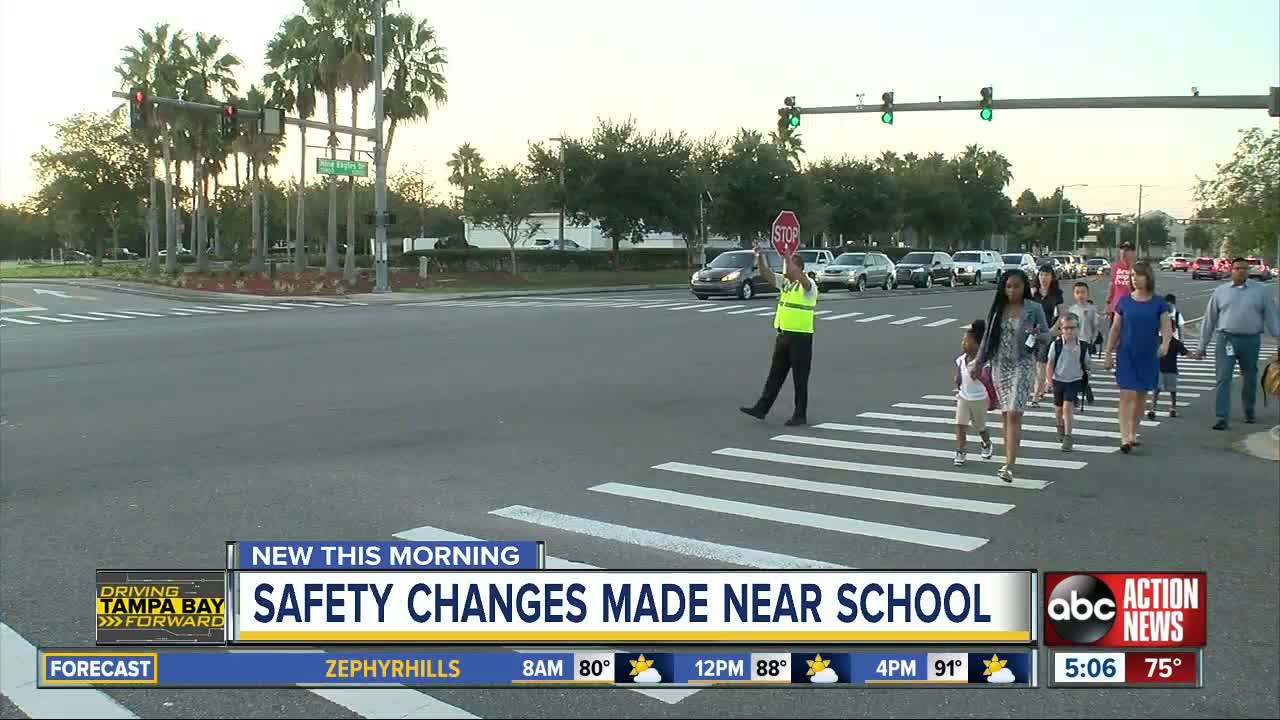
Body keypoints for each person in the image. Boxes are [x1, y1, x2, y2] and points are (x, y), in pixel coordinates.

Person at [973, 269, 1051, 482]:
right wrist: (978, 364)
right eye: (1008, 286)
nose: (1012, 290)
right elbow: (988, 339)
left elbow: (1047, 335)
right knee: (1006, 414)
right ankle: (1007, 457)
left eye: (1016, 286)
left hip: (1023, 364)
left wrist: (1037, 335)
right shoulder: (998, 309)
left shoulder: (1033, 309)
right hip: (1000, 366)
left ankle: (1009, 464)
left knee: (1015, 412)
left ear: (1024, 286)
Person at [1193, 257, 1280, 429]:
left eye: (1245, 269)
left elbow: (1271, 317)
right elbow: (1209, 319)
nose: (1242, 271)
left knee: (1250, 378)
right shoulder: (1220, 291)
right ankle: (1221, 417)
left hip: (1251, 340)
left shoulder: (1261, 292)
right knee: (1223, 379)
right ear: (1231, 270)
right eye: (1238, 268)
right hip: (1226, 339)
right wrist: (1202, 346)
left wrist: (1278, 339)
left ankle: (1249, 412)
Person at [740, 248, 817, 426]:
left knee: (800, 379)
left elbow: (800, 276)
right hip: (783, 336)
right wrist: (759, 259)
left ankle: (800, 414)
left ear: (798, 268)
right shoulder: (786, 284)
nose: (785, 269)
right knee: (775, 376)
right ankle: (761, 408)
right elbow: (767, 275)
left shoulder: (808, 286)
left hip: (801, 338)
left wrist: (789, 257)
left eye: (788, 265)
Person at [1104, 261, 1172, 453]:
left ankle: (1133, 432)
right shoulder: (1124, 301)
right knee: (1128, 393)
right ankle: (1124, 437)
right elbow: (1116, 328)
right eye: (1133, 276)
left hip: (1148, 354)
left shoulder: (1159, 303)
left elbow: (1166, 327)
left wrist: (1165, 344)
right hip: (1126, 353)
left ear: (1148, 277)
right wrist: (1108, 352)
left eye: (1139, 275)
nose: (1135, 279)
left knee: (1141, 396)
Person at [954, 319, 994, 466]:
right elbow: (958, 375)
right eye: (963, 341)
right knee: (960, 424)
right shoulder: (961, 360)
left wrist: (980, 376)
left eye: (967, 341)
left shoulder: (983, 362)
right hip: (963, 397)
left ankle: (986, 442)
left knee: (980, 427)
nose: (963, 343)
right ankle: (960, 450)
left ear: (977, 345)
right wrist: (957, 379)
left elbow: (989, 380)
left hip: (979, 399)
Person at [1046, 314, 1089, 452]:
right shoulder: (1056, 344)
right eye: (1066, 328)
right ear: (1061, 329)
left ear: (1078, 329)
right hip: (1058, 380)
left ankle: (1068, 436)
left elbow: (1087, 363)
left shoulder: (1082, 346)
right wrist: (1048, 381)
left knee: (1067, 408)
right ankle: (1060, 427)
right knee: (1058, 409)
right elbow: (1050, 363)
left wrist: (1093, 369)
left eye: (1072, 328)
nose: (1069, 331)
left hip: (1074, 380)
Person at [1029, 265, 1065, 406]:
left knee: (1041, 363)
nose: (1044, 278)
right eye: (1042, 275)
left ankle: (1036, 396)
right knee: (1033, 363)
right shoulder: (1034, 293)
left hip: (1047, 332)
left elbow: (1061, 314)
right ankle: (1043, 387)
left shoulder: (1056, 294)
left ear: (1052, 277)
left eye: (1047, 275)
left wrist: (1053, 329)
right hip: (1032, 333)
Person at [1149, 333, 1188, 419]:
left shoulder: (1174, 342)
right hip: (1166, 369)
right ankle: (1156, 409)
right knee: (1164, 390)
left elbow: (1185, 352)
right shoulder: (1159, 340)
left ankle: (1164, 409)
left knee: (1164, 390)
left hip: (1167, 369)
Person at [1105, 241, 1137, 326]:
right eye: (1121, 249)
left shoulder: (1138, 268)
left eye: (1127, 250)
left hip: (1132, 308)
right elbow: (1112, 285)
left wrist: (1131, 267)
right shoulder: (1116, 266)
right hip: (1116, 307)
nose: (1123, 252)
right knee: (1114, 333)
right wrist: (1108, 303)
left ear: (1133, 253)